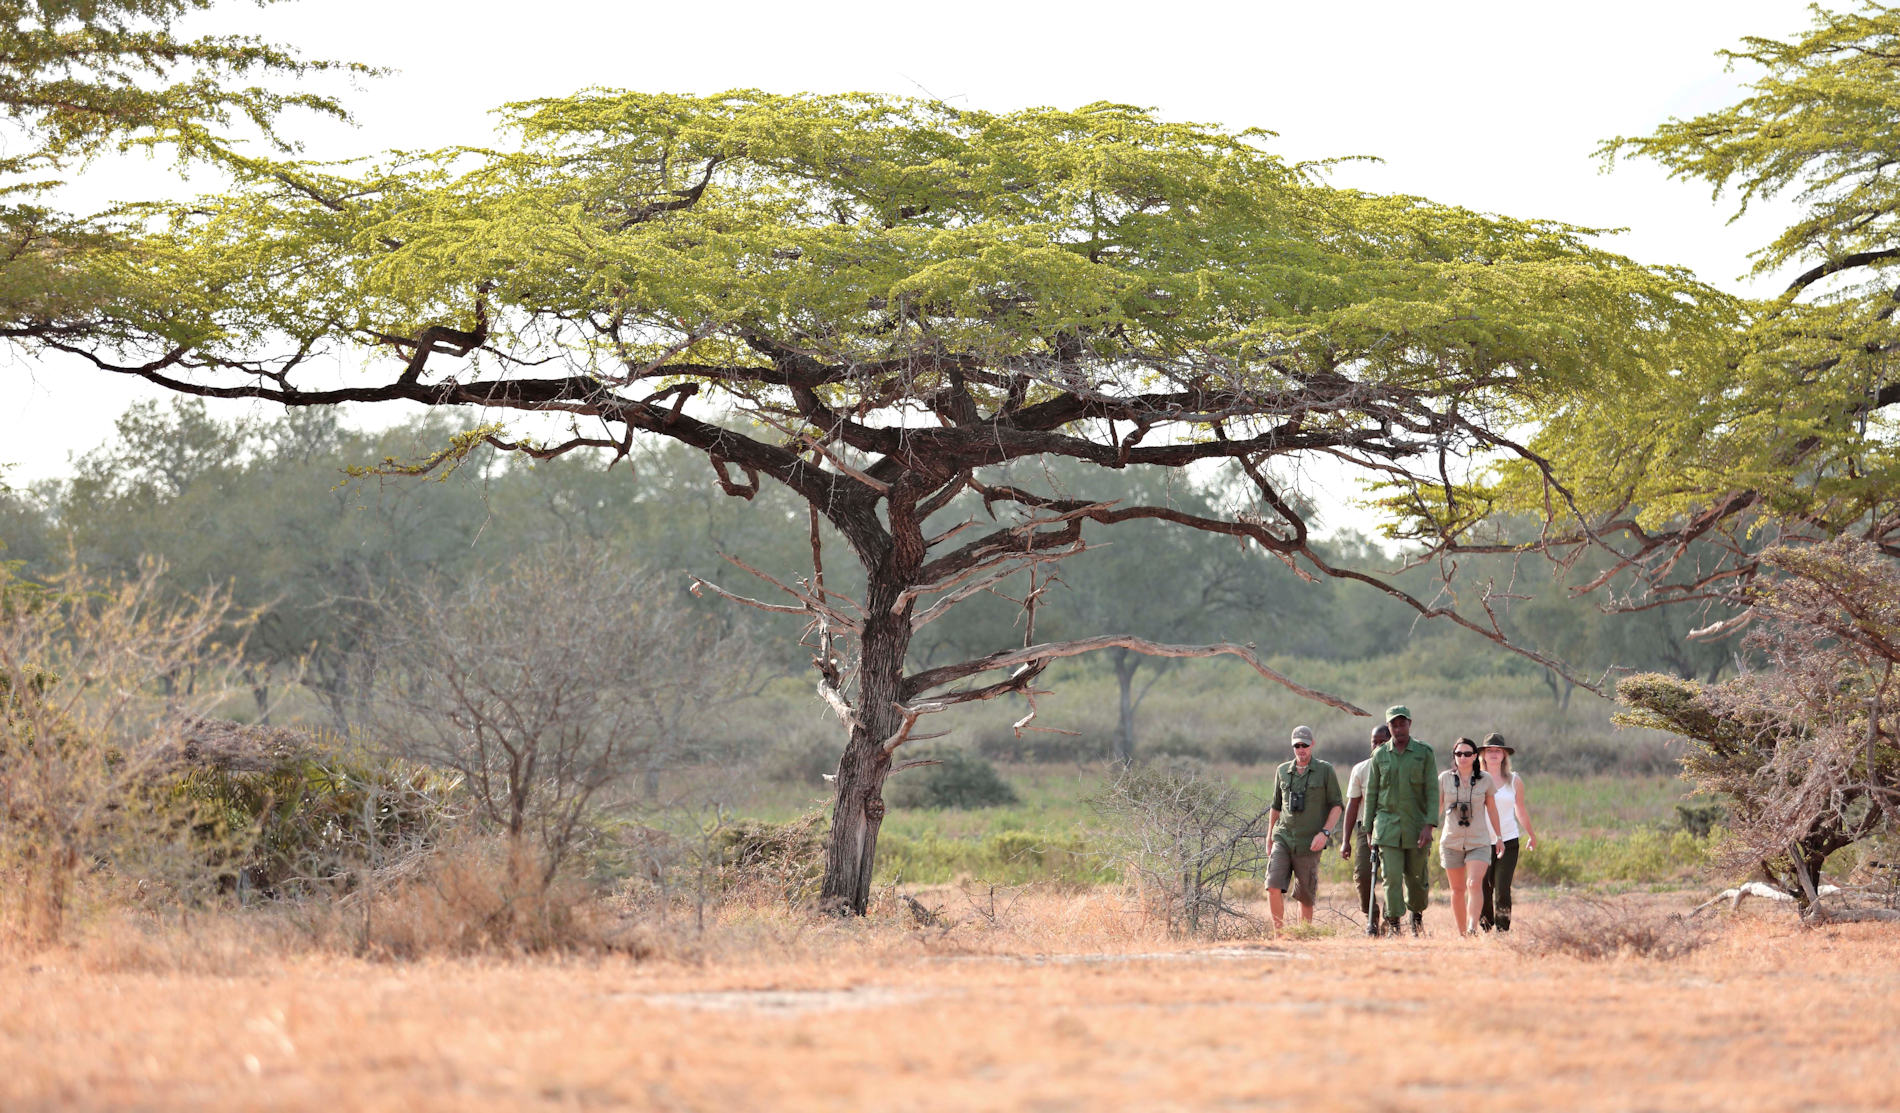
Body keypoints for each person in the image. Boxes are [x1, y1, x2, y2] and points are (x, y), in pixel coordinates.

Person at [1361, 705, 1437, 937]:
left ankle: (1416, 919)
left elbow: (1433, 791)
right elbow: (1371, 794)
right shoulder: (1380, 755)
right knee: (1391, 878)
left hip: (1416, 827)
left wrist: (1429, 825)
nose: (1398, 727)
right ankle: (1394, 926)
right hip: (1386, 828)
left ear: (1409, 724)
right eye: (1394, 724)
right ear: (1389, 726)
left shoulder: (1424, 753)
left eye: (1402, 723)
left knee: (1416, 879)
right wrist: (1368, 829)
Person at [1266, 725, 1344, 930]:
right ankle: (1280, 936)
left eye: (1305, 745)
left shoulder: (1325, 770)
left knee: (1305, 895)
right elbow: (1275, 807)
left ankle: (1303, 935)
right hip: (1283, 837)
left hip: (1310, 841)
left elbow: (1337, 805)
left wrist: (1325, 833)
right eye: (1297, 745)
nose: (1301, 749)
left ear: (1312, 745)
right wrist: (1269, 838)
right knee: (1273, 885)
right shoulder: (1282, 771)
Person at [1438, 737, 1504, 937]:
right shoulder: (1444, 778)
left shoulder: (1485, 779)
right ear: (1454, 756)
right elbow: (1437, 808)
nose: (1463, 757)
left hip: (1479, 841)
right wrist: (1426, 831)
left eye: (1467, 753)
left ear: (1475, 756)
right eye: (1459, 754)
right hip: (1451, 840)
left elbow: (1491, 809)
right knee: (1457, 890)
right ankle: (1462, 935)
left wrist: (1499, 836)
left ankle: (1472, 927)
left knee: (1474, 883)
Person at [1479, 733, 1536, 932]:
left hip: (1509, 840)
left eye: (1498, 751)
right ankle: (1485, 926)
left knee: (1502, 888)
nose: (1494, 754)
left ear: (1504, 755)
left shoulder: (1514, 781)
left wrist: (1531, 834)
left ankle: (1503, 929)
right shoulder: (1476, 779)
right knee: (1484, 887)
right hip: (1481, 841)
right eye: (1490, 750)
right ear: (1483, 755)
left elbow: (1520, 809)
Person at [1339, 722, 1391, 934]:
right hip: (1365, 828)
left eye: (1383, 741)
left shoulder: (1396, 766)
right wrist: (1345, 840)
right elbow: (1352, 805)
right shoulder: (1360, 769)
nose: (1378, 745)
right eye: (1374, 741)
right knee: (1362, 875)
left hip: (1391, 826)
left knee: (1392, 874)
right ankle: (1371, 914)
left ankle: (1391, 918)